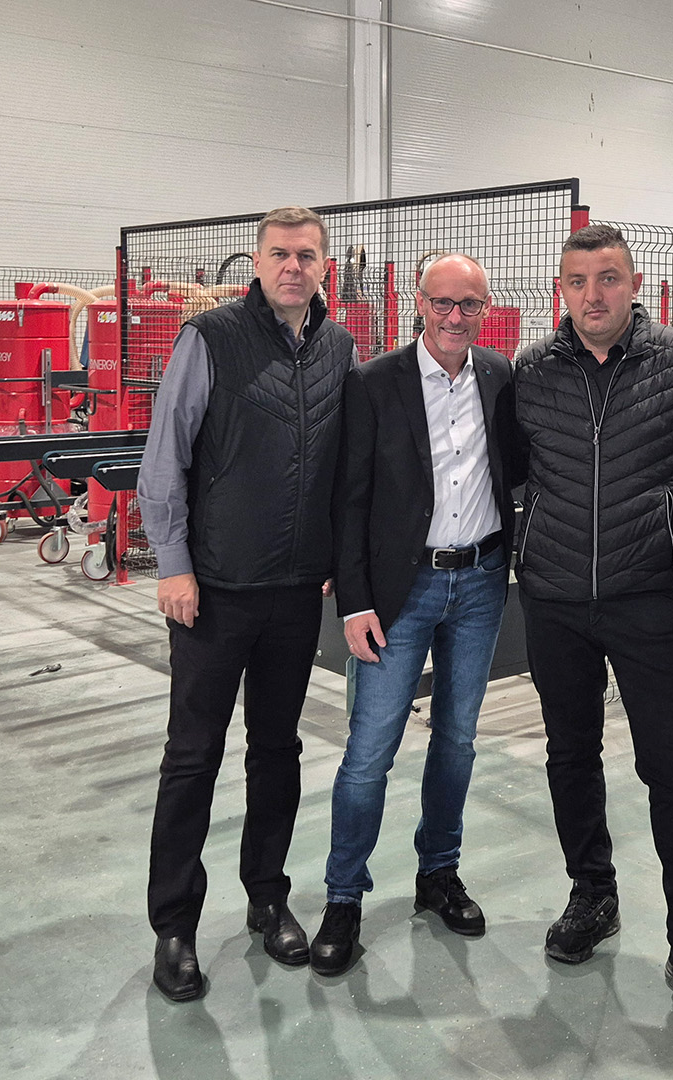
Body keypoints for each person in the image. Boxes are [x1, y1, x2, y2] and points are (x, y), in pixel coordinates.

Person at [511, 223, 673, 1031]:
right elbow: (505, 471)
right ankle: (592, 893)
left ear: (634, 283)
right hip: (554, 598)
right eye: (578, 280)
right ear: (560, 290)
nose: (593, 295)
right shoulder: (530, 370)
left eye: (609, 278)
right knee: (569, 753)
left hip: (652, 598)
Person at [135, 205, 354, 1002]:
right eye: (280, 254)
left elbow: (339, 464)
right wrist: (174, 565)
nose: (293, 267)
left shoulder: (338, 347)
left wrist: (332, 557)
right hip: (215, 591)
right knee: (193, 756)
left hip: (294, 593)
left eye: (307, 255)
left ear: (324, 266)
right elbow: (165, 455)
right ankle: (175, 926)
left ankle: (267, 897)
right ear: (256, 264)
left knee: (277, 751)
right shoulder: (211, 338)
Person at [307, 253, 521, 976]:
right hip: (401, 590)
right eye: (442, 303)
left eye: (469, 304)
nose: (455, 317)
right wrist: (357, 602)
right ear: (418, 304)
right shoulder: (374, 383)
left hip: (481, 582)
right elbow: (349, 500)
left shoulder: (500, 376)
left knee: (457, 739)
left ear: (484, 308)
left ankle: (439, 873)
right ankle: (344, 895)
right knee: (370, 749)